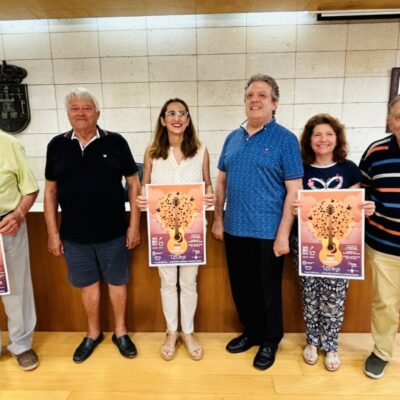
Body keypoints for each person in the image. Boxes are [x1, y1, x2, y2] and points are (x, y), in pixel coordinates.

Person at [211, 74, 304, 370]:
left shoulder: (285, 140)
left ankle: (270, 339)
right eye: (250, 95)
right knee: (242, 286)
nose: (255, 99)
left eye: (262, 95)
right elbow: (222, 180)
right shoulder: (232, 138)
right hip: (235, 228)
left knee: (268, 290)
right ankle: (251, 332)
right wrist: (217, 219)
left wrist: (283, 235)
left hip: (268, 231)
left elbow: (295, 191)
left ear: (274, 103)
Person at [44, 87, 141, 363]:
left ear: (97, 112)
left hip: (114, 233)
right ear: (67, 114)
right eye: (74, 108)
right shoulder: (57, 145)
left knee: (117, 282)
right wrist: (52, 233)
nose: (81, 113)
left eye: (86, 107)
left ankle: (120, 333)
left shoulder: (116, 142)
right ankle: (93, 333)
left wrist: (134, 226)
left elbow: (134, 184)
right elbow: (50, 192)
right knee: (87, 285)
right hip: (74, 236)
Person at [291, 114, 375, 372]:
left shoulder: (349, 169)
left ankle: (331, 344)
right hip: (305, 241)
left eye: (328, 134)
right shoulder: (300, 168)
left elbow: (357, 205)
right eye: (317, 135)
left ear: (336, 138)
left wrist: (367, 208)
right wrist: (294, 208)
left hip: (341, 243)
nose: (323, 139)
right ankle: (312, 342)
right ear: (309, 140)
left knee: (335, 294)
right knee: (310, 292)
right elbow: (290, 198)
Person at [136, 98, 215, 361]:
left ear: (188, 119)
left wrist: (211, 197)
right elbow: (144, 188)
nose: (177, 118)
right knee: (168, 282)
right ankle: (171, 332)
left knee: (189, 282)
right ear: (163, 120)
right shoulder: (152, 152)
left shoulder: (201, 150)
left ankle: (188, 332)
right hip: (162, 228)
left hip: (193, 228)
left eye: (182, 113)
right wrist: (142, 200)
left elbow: (208, 186)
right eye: (171, 113)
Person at [360, 95, 400, 379]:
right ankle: (382, 352)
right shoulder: (376, 151)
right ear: (390, 121)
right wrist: (367, 203)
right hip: (385, 241)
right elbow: (362, 188)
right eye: (399, 116)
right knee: (385, 302)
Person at [0, 131, 39, 371]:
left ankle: (21, 344)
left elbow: (30, 189)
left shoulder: (9, 144)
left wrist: (18, 213)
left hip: (6, 225)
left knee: (16, 289)